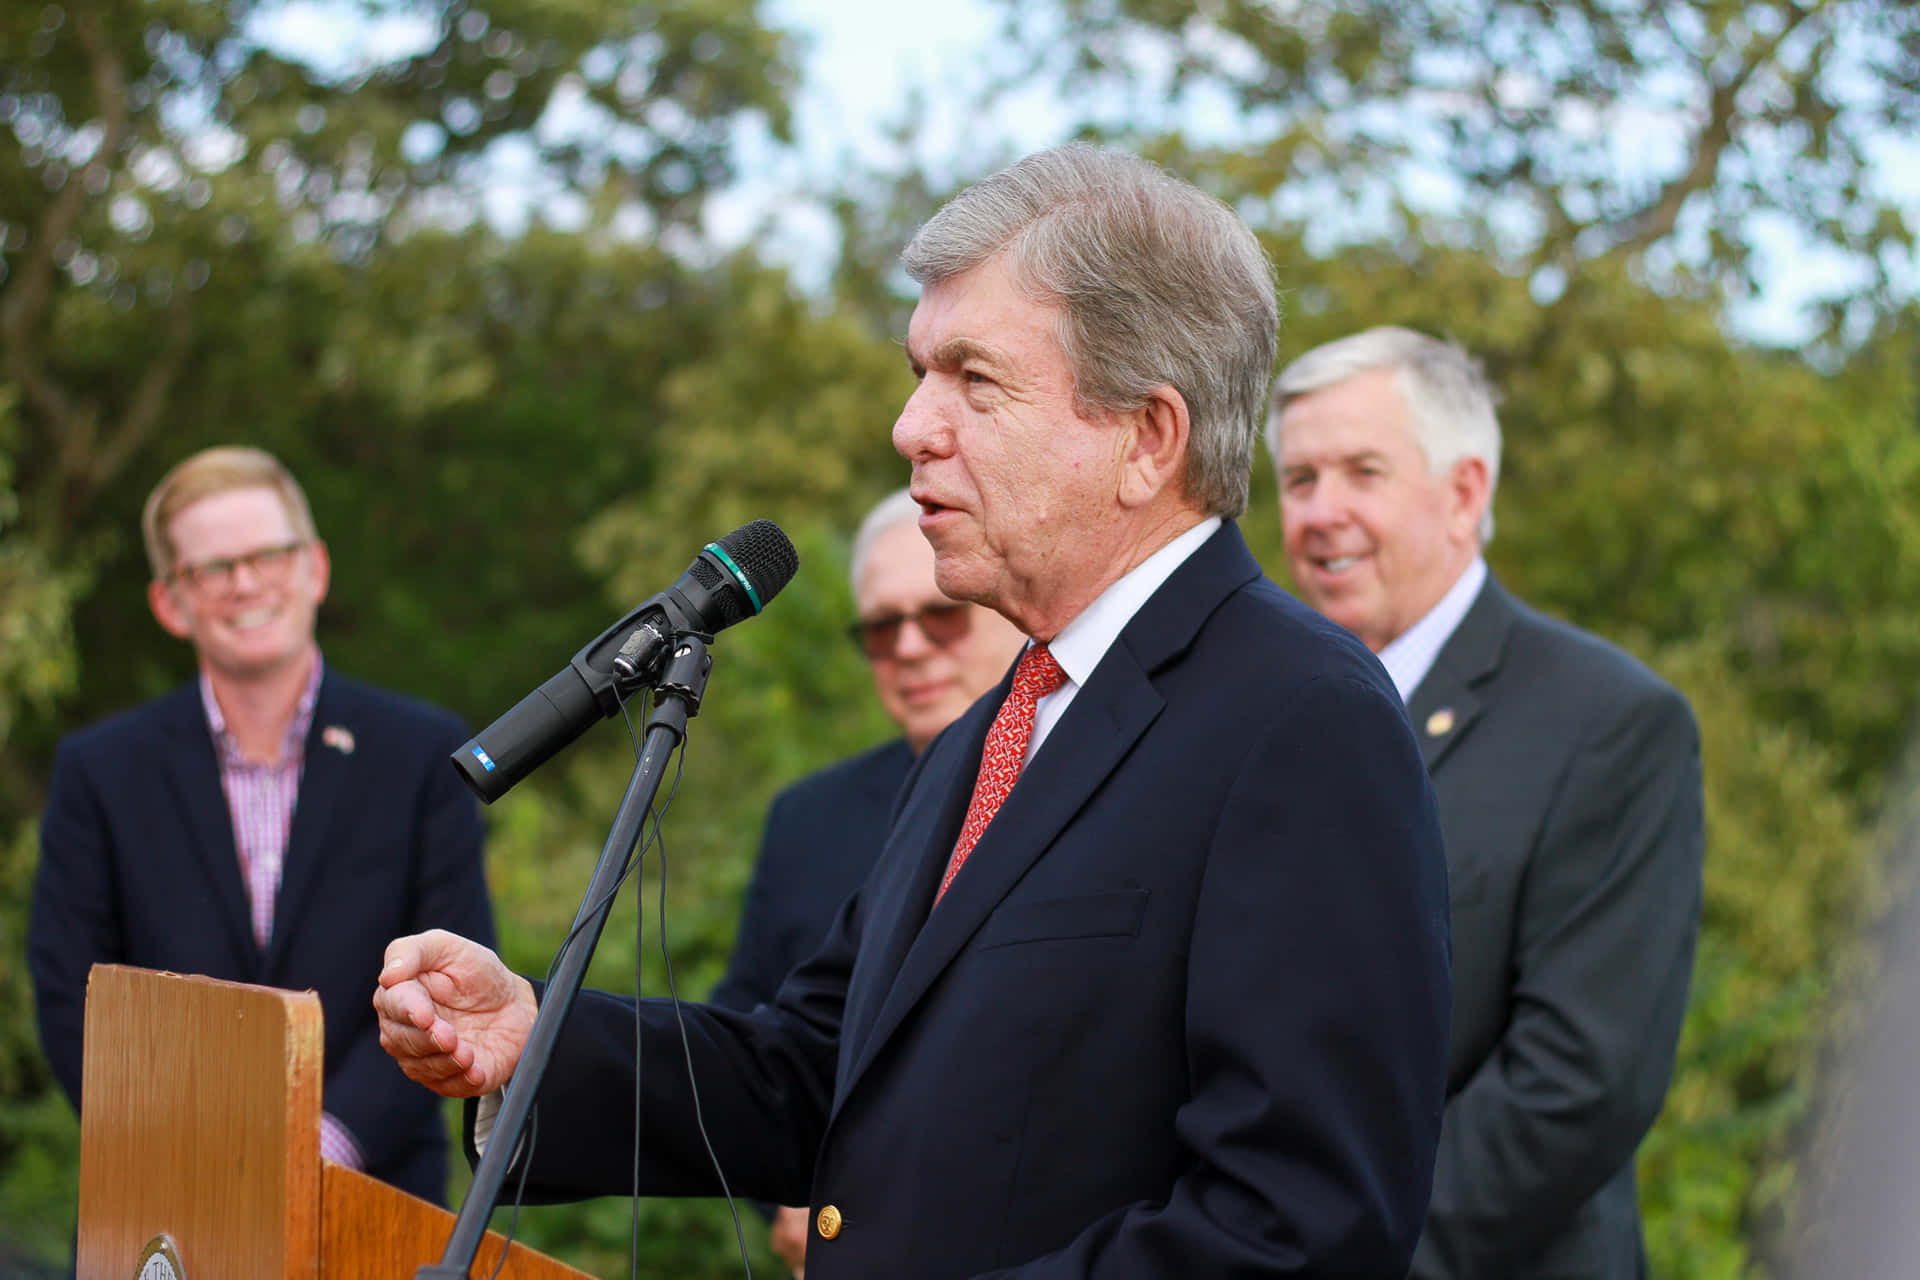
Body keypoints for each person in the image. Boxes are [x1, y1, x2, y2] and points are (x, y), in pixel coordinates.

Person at [376, 145, 1452, 1278]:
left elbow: (1298, 1224)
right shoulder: (992, 732)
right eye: (919, 372)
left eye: (974, 380)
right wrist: (530, 1037)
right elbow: (816, 1072)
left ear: (1146, 437)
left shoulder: (1299, 721)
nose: (912, 427)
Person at [1268, 326, 1705, 1278]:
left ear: (1464, 493)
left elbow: (1580, 1081)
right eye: (1300, 480)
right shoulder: (1257, 712)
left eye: (1362, 472)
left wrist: (1340, 1258)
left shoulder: (1611, 723)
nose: (1321, 511)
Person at [28, 445, 496, 1205]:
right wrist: (201, 1155)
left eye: (267, 555)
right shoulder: (100, 771)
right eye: (212, 568)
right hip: (163, 1204)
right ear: (170, 603)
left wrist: (319, 1152)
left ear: (314, 567)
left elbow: (449, 988)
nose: (244, 583)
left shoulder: (419, 757)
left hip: (373, 1204)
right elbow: (70, 998)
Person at [708, 486, 1027, 1273]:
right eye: (882, 629)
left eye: (939, 615)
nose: (911, 648)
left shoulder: (1088, 783)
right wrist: (790, 1195)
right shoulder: (807, 818)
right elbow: (755, 1031)